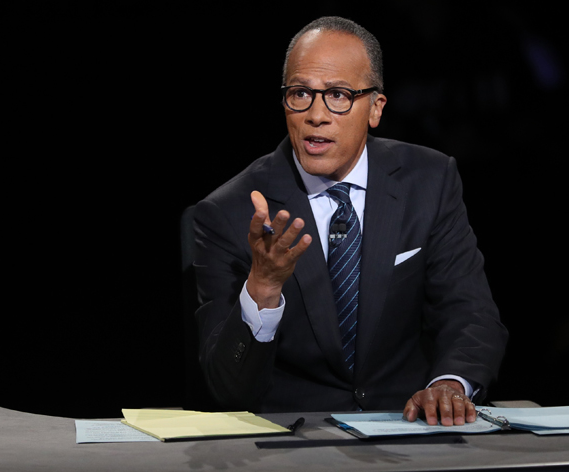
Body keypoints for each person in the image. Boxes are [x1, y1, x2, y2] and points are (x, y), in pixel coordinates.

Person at [193, 16, 507, 426]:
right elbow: (227, 387)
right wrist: (263, 288)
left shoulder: (428, 180)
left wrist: (449, 386)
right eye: (300, 94)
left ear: (375, 109)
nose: (316, 115)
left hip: (411, 429)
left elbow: (471, 314)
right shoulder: (231, 212)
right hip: (295, 444)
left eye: (338, 95)